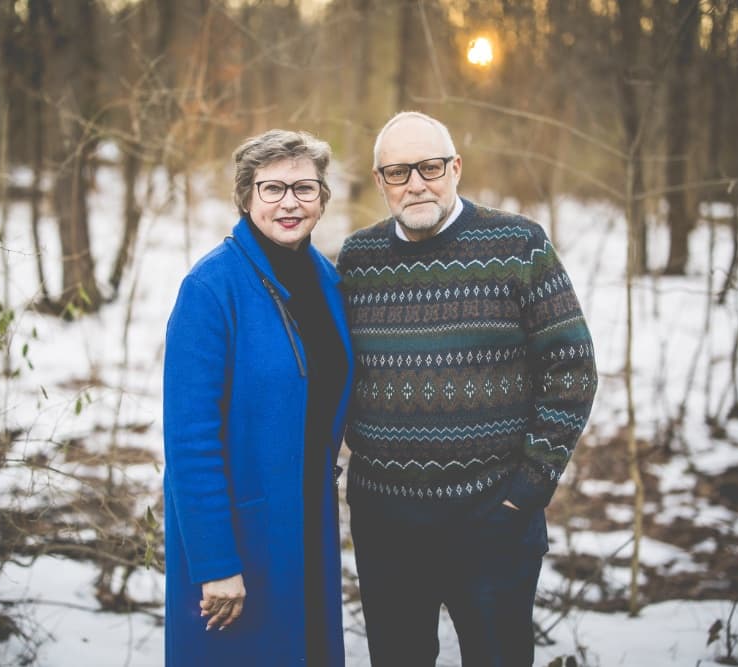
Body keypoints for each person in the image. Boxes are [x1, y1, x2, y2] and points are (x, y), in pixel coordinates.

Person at [336, 111, 598, 666]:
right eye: (399, 172)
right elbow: (330, 371)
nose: (416, 183)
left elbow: (571, 368)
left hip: (492, 518)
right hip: (386, 524)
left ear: (456, 168)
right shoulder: (357, 261)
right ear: (380, 182)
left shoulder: (518, 244)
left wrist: (527, 488)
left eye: (430, 167)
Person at [163, 129, 353, 666]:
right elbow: (189, 441)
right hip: (239, 537)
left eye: (304, 188)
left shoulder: (328, 282)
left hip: (307, 525)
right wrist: (215, 562)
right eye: (272, 188)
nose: (289, 202)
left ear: (322, 198)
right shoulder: (211, 289)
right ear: (246, 197)